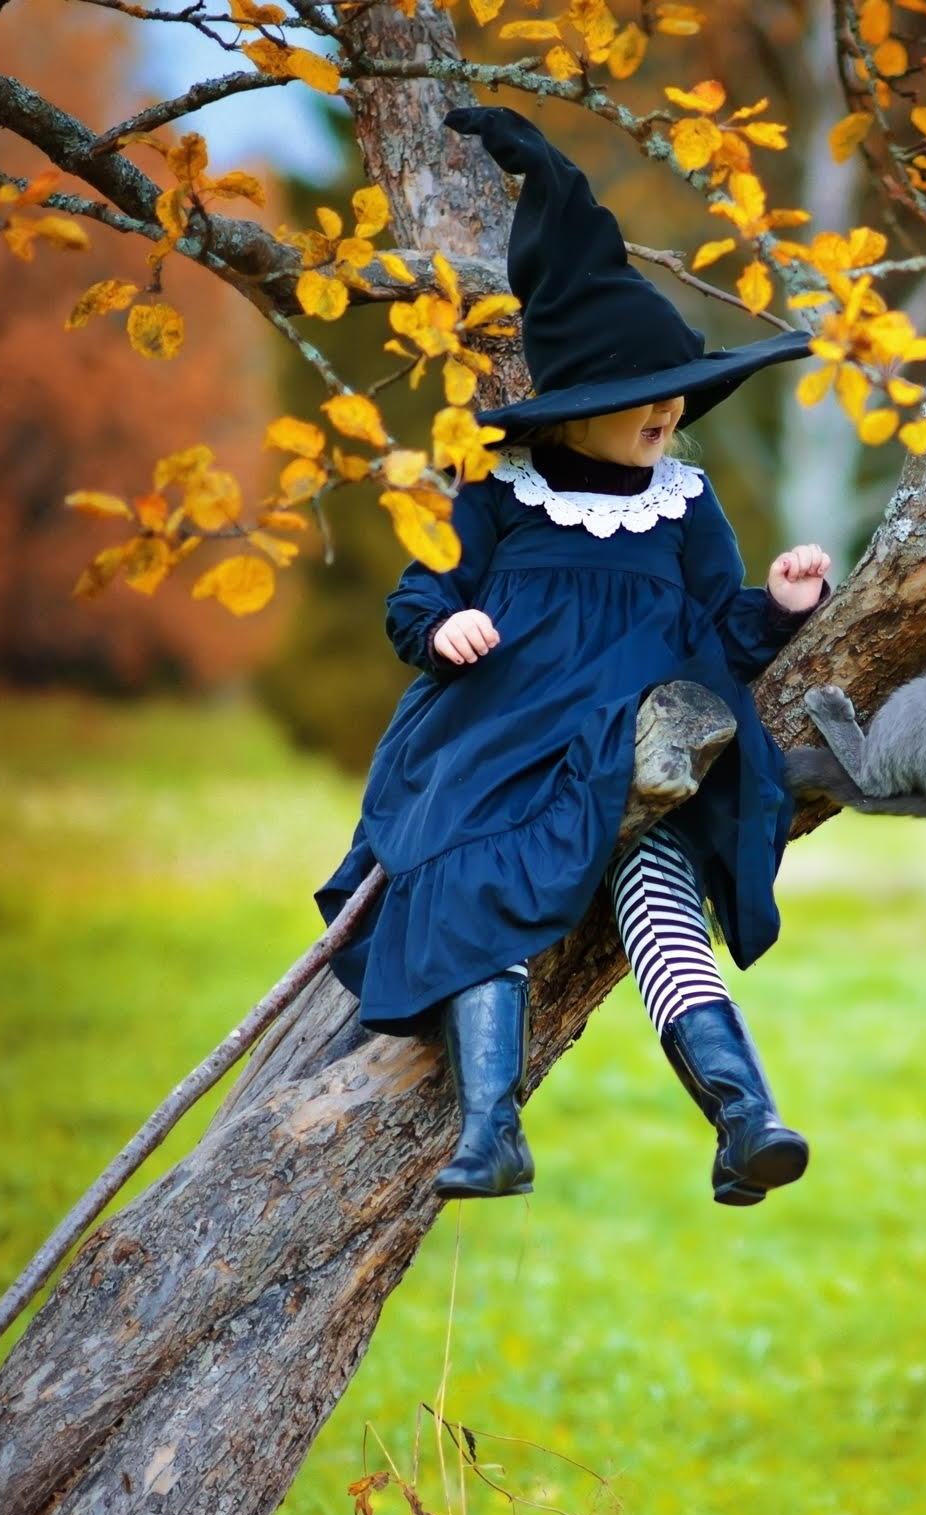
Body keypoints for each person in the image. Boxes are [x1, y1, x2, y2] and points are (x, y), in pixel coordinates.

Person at [317, 106, 828, 1207]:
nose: (667, 413)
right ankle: (491, 1127)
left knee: (658, 902)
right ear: (577, 413)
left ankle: (747, 1114)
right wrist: (444, 627)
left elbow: (711, 630)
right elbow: (421, 594)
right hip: (500, 752)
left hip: (631, 760)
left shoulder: (683, 506)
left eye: (674, 394)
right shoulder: (502, 498)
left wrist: (778, 608)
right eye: (640, 400)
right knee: (478, 887)